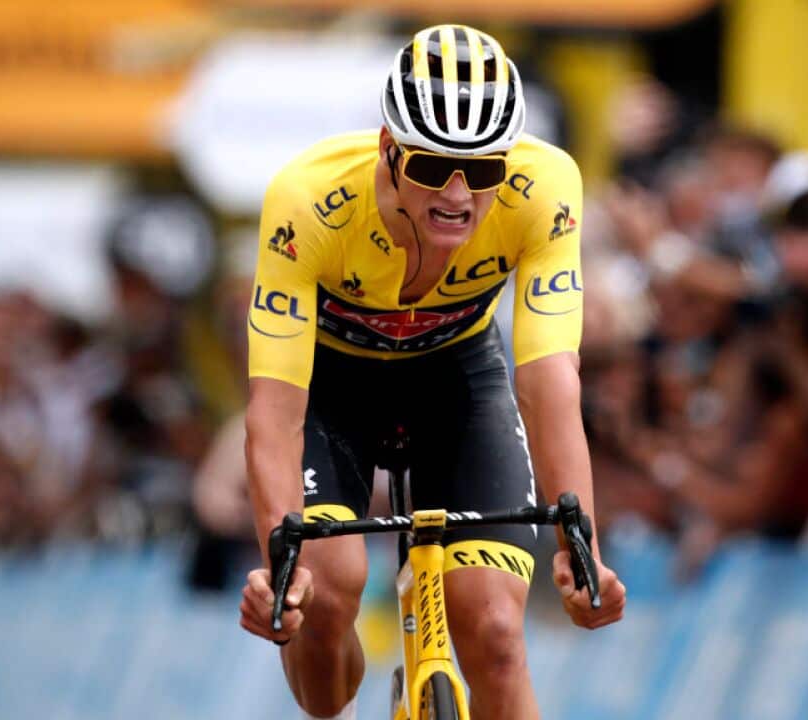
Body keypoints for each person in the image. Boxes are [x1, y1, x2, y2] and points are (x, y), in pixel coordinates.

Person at [236, 25, 626, 720]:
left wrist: (581, 543)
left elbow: (549, 382)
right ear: (389, 148)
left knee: (497, 632)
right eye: (432, 166)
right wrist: (281, 564)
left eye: (481, 171)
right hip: (334, 390)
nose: (457, 193)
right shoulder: (308, 200)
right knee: (327, 594)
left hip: (457, 382)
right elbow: (273, 411)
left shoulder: (546, 189)